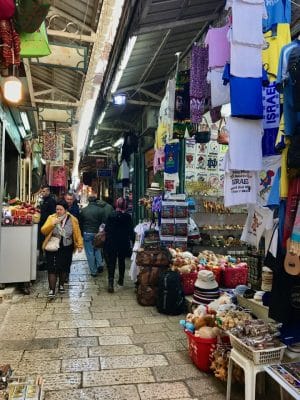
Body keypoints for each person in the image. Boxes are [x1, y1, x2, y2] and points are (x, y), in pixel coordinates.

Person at [41, 199, 83, 297]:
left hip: (66, 247)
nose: (58, 211)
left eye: (60, 209)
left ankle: (61, 285)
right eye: (57, 209)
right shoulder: (51, 218)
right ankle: (52, 290)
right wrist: (52, 224)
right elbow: (43, 231)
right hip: (53, 246)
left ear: (65, 210)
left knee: (64, 268)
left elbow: (77, 233)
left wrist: (80, 245)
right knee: (52, 268)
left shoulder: (72, 219)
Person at [104, 197, 135, 293]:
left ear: (116, 205)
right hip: (123, 242)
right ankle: (121, 280)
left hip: (112, 242)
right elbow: (131, 231)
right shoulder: (128, 217)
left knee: (112, 262)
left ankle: (110, 282)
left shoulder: (111, 215)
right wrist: (133, 242)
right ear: (125, 205)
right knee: (121, 261)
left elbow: (106, 229)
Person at [79, 193, 105, 277]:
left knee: (89, 252)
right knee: (97, 249)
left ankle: (93, 271)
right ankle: (99, 264)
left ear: (88, 201)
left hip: (87, 233)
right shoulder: (101, 210)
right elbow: (103, 223)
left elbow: (81, 223)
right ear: (96, 200)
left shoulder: (83, 210)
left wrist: (82, 233)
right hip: (97, 232)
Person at [38, 185, 56, 268]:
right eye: (42, 191)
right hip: (42, 225)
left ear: (48, 192)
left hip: (47, 226)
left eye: (44, 191)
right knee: (42, 243)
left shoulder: (51, 201)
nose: (42, 193)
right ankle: (43, 262)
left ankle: (46, 263)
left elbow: (52, 214)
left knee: (46, 244)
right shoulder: (43, 200)